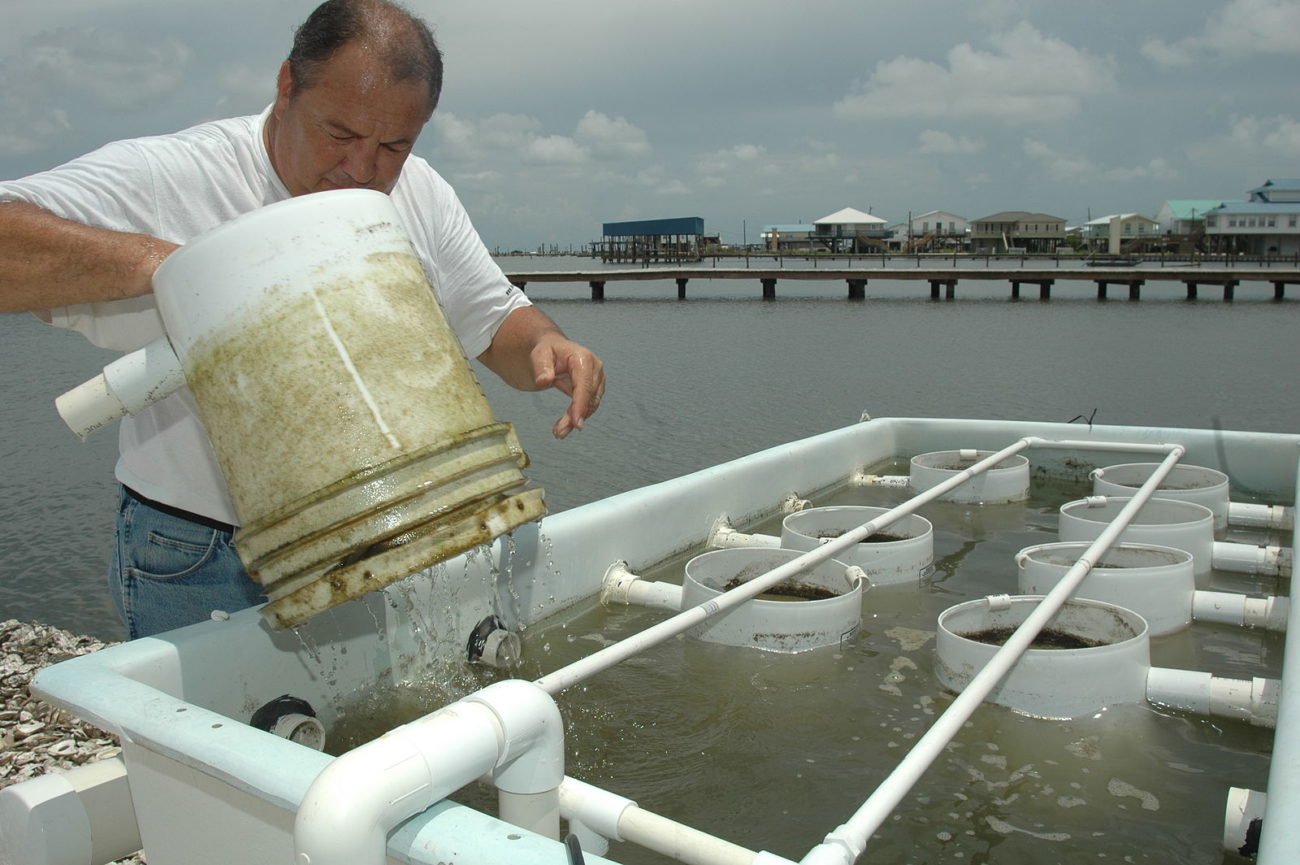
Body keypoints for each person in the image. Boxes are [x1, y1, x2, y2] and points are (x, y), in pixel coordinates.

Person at [0, 0, 605, 638]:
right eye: (339, 134)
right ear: (288, 85)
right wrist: (182, 268)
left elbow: (494, 318)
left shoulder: (419, 191)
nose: (363, 168)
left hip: (378, 532)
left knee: (369, 732)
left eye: (394, 144)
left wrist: (549, 344)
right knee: (206, 737)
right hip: (202, 551)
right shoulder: (173, 175)